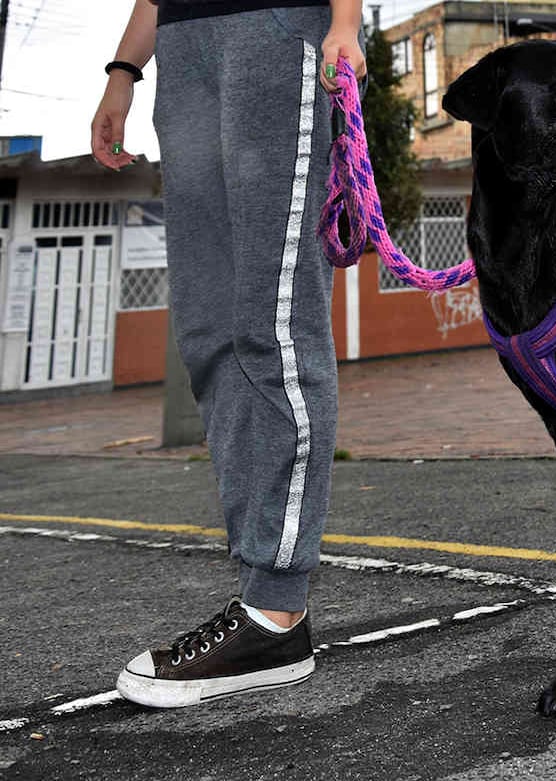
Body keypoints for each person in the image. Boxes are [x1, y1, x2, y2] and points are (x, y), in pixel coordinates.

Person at [91, 0, 365, 708]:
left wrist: (344, 22)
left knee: (273, 320)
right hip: (183, 46)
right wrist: (124, 71)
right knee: (208, 331)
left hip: (275, 30)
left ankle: (276, 607)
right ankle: (258, 600)